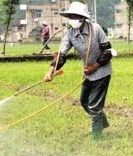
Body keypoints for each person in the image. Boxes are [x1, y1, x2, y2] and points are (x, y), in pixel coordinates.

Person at [44, 2, 114, 137]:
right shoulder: (70, 33)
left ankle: (97, 136)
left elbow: (108, 51)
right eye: (71, 16)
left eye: (76, 16)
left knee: (94, 106)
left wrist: (95, 67)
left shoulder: (96, 29)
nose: (73, 18)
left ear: (83, 18)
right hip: (88, 74)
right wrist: (51, 70)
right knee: (84, 102)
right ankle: (101, 122)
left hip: (102, 72)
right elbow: (62, 55)